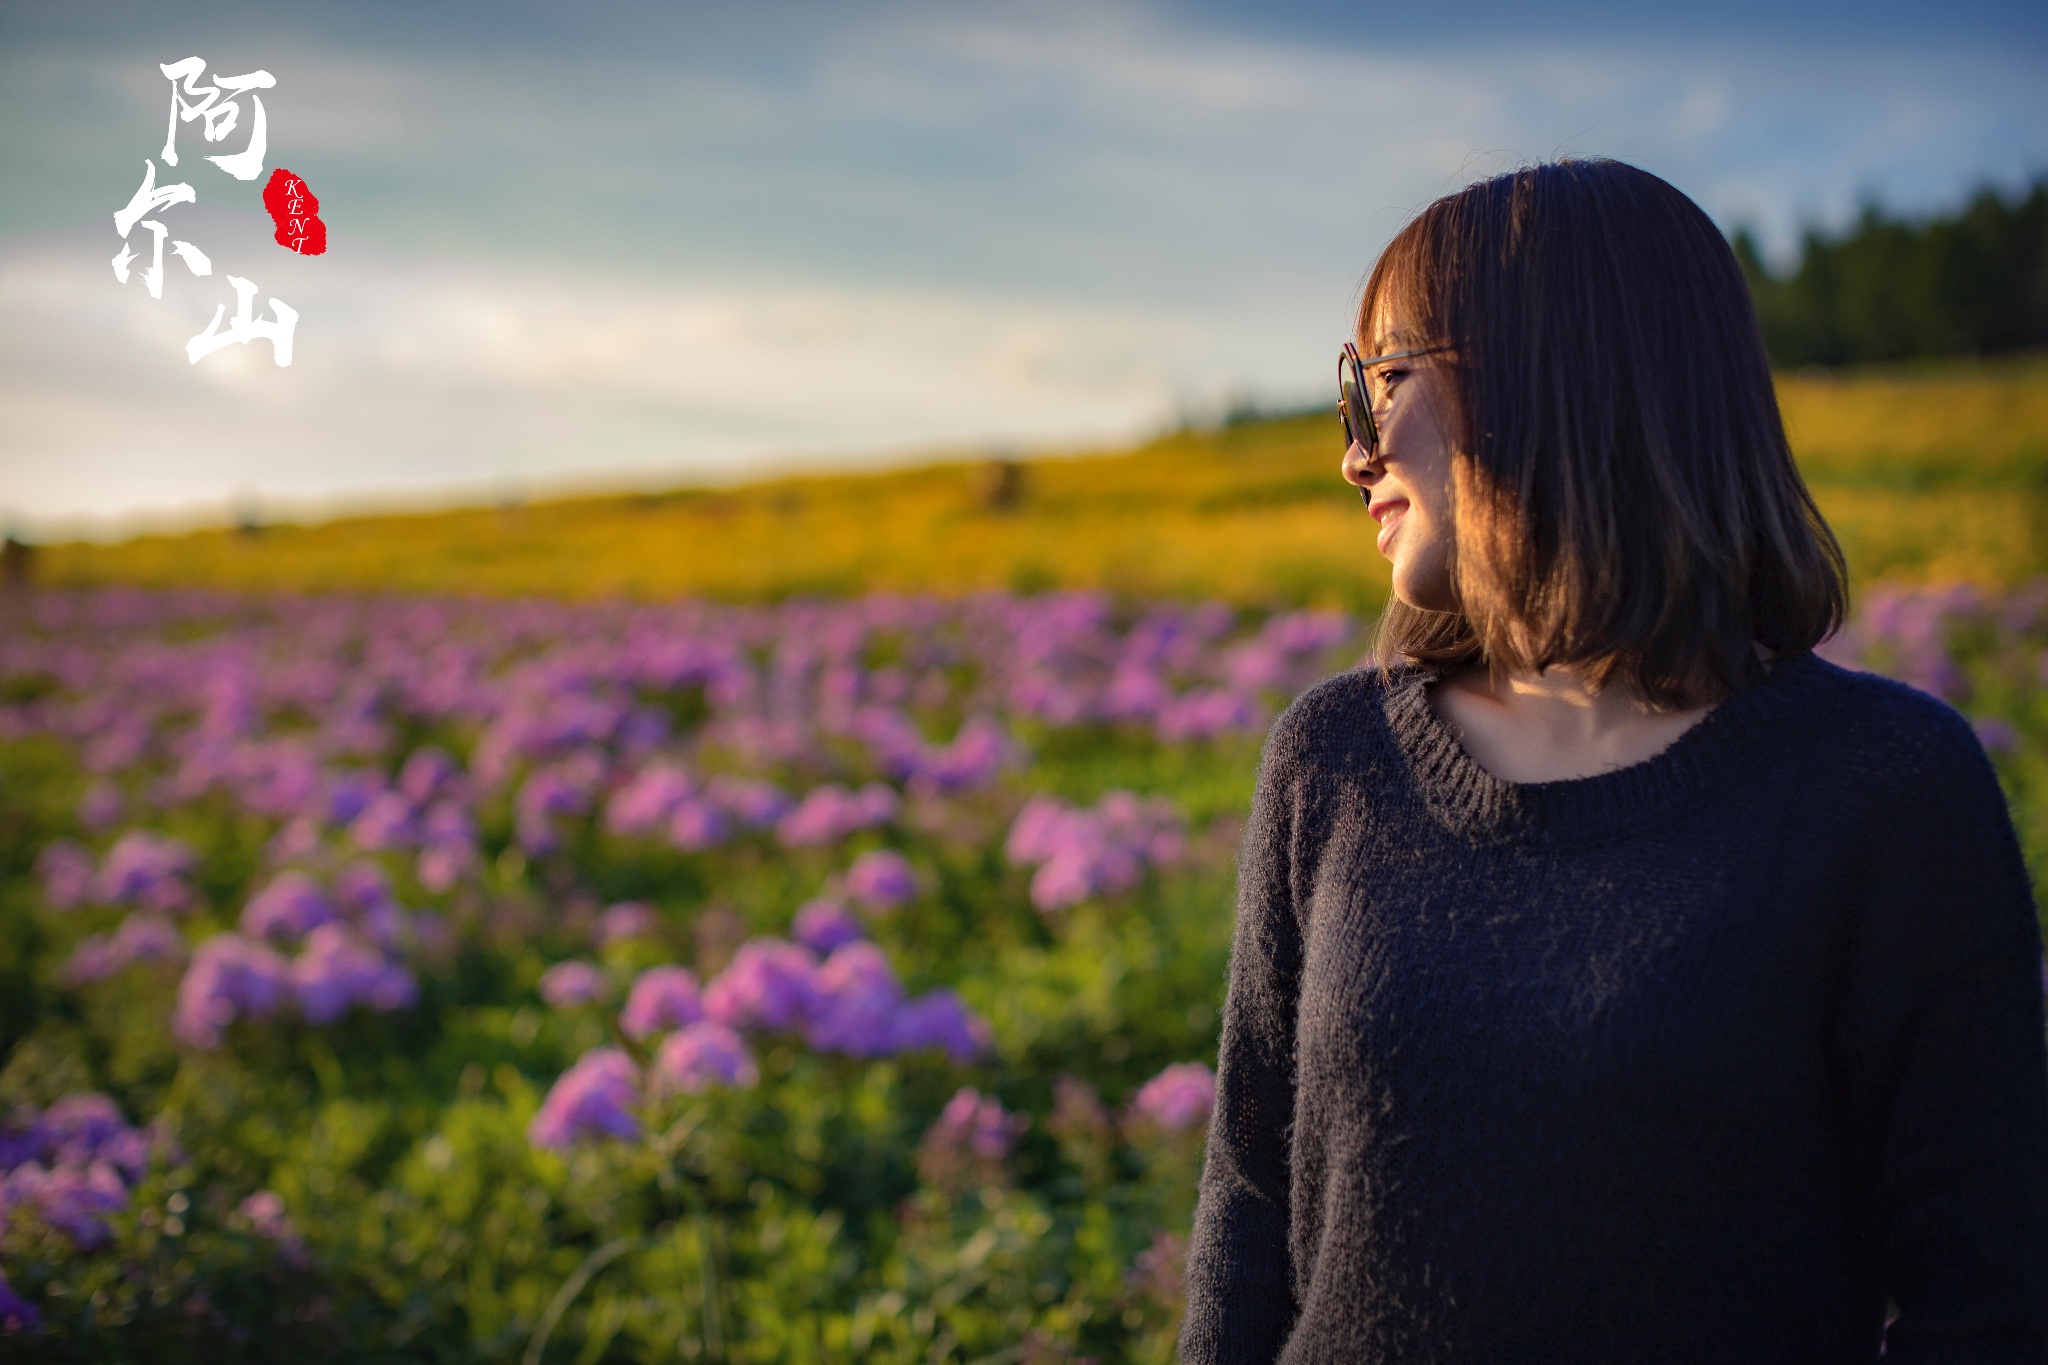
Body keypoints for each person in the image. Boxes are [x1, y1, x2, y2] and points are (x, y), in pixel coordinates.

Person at [1178, 159, 2048, 1364]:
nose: (1352, 454)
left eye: (1378, 384)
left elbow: (1987, 1302)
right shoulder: (1333, 757)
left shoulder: (1882, 788)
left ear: (1549, 380)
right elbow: (1247, 1229)